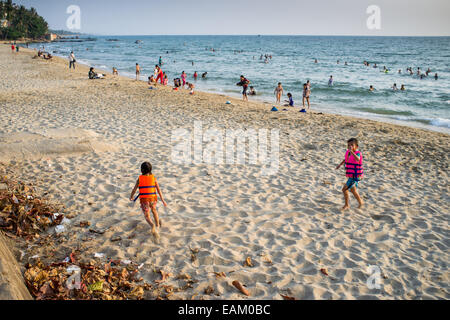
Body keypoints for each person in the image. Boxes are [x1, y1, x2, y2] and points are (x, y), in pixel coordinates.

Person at [129, 162, 167, 236]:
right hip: (153, 199)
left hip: (144, 200)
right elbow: (159, 190)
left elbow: (134, 189)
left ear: (142, 170)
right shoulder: (153, 178)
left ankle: (152, 225)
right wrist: (163, 200)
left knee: (147, 215)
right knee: (154, 211)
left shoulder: (139, 179)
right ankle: (157, 226)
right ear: (150, 169)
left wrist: (131, 196)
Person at [336, 138, 364, 210]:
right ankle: (360, 202)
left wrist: (352, 152)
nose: (350, 146)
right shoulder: (348, 152)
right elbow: (346, 159)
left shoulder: (357, 153)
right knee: (353, 190)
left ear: (356, 146)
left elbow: (357, 159)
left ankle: (347, 205)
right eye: (348, 145)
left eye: (352, 145)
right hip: (352, 175)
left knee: (344, 189)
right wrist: (340, 165)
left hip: (355, 176)